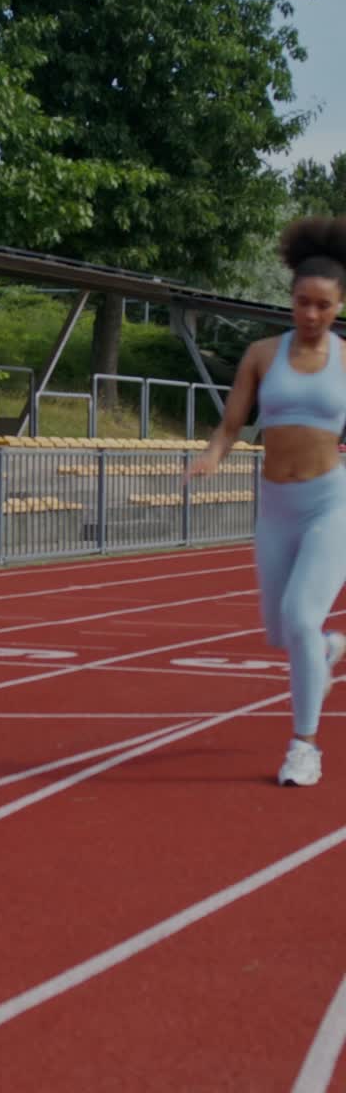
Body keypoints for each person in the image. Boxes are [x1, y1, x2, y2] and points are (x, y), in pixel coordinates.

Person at [187, 216, 346, 786]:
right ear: (290, 299)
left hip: (331, 504)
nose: (310, 315)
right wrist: (212, 455)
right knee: (284, 633)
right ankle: (326, 650)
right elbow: (232, 426)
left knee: (301, 616)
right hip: (276, 508)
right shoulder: (260, 355)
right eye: (302, 303)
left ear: (338, 305)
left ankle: (304, 746)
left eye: (323, 306)